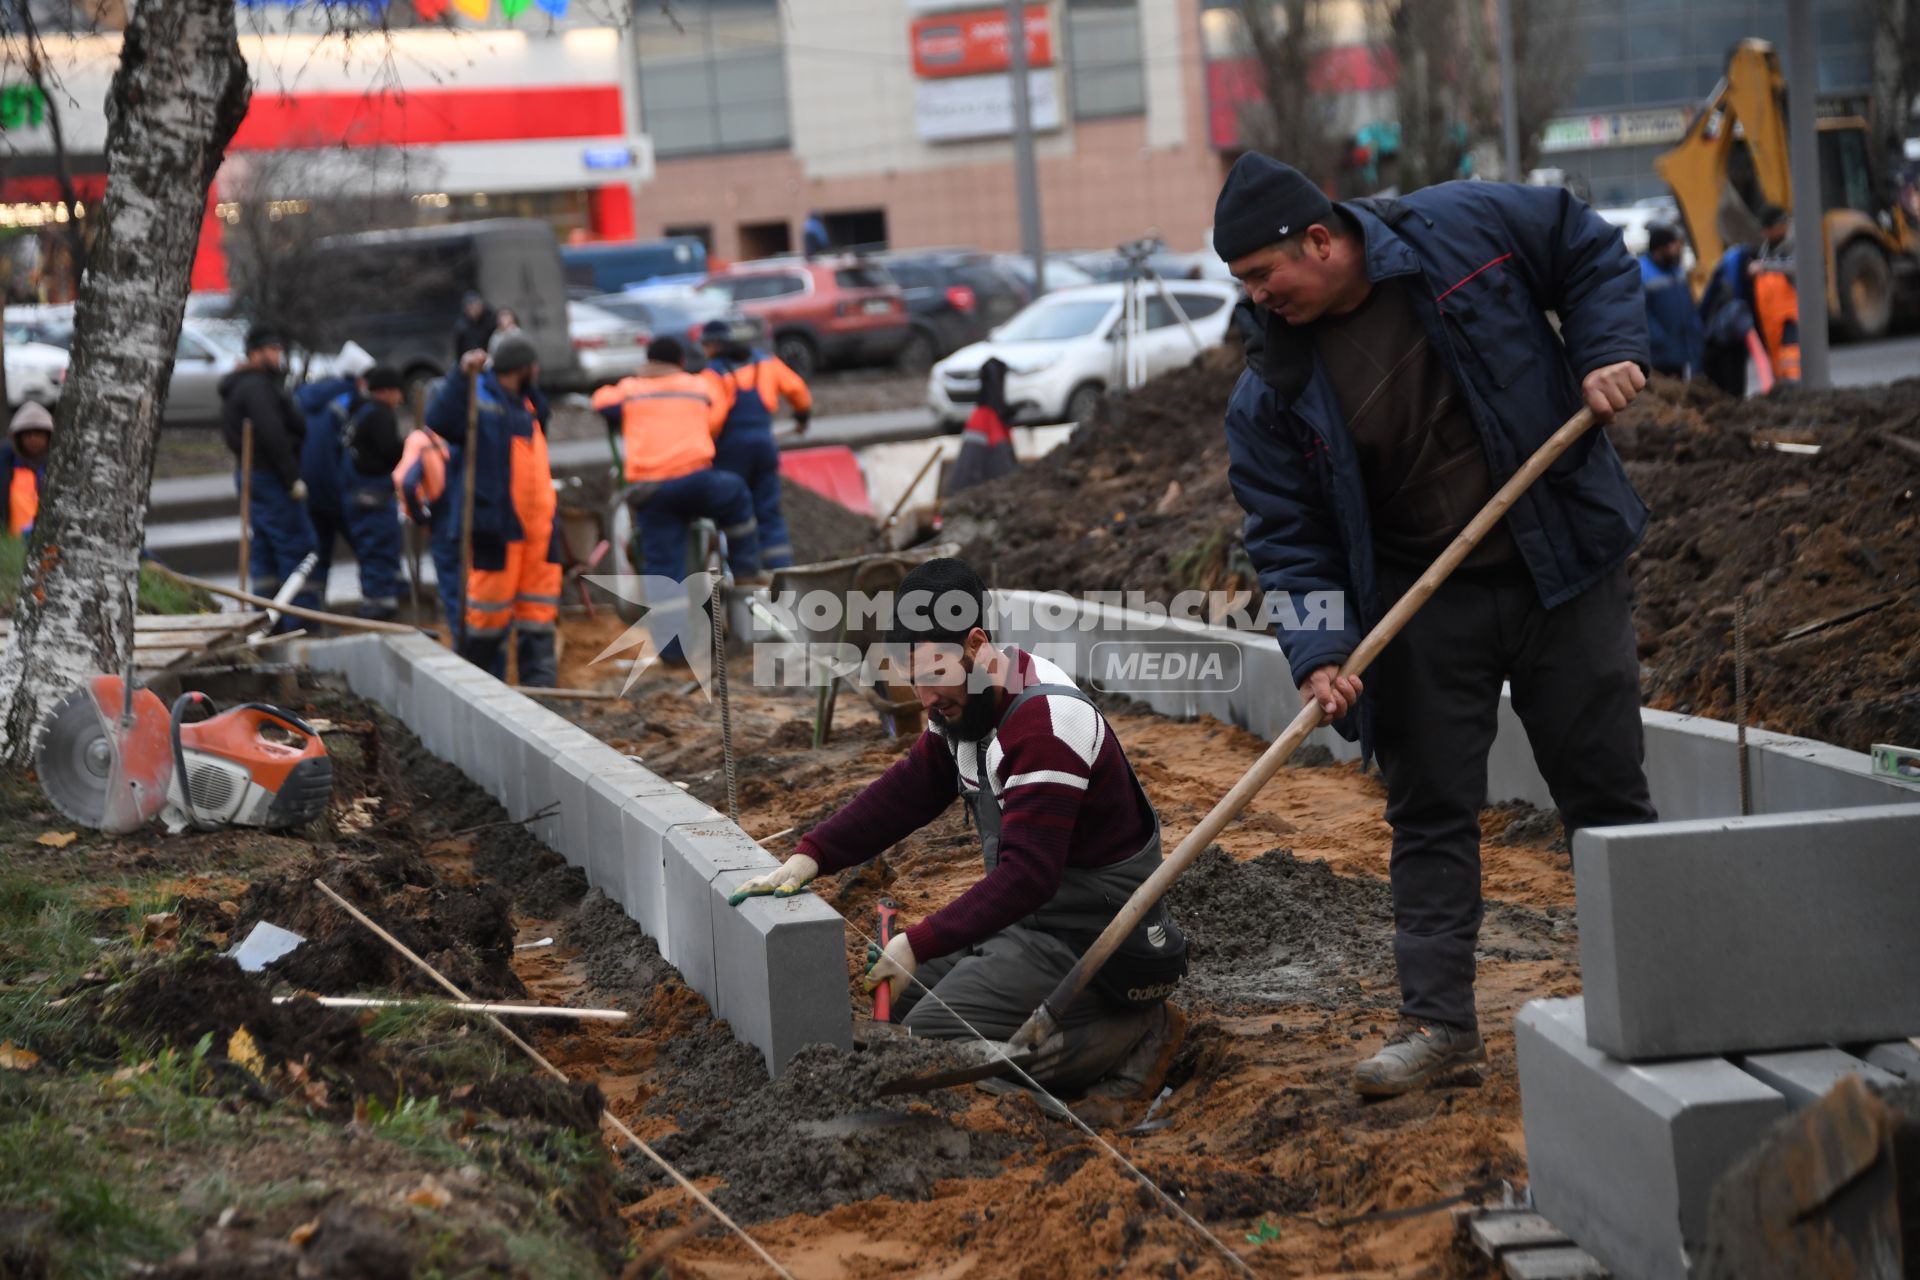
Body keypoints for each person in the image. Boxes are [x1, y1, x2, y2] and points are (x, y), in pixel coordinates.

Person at [1213, 152, 1659, 1098]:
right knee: (1429, 813)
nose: (1256, 300)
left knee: (1606, 793)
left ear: (1321, 241)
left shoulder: (1462, 228)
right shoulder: (1271, 391)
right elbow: (1289, 540)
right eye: (1244, 284)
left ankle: (1665, 993)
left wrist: (1605, 348)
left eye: (1262, 276)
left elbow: (1585, 249)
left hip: (1559, 561)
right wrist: (1322, 653)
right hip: (1420, 601)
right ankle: (1440, 1027)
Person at [730, 557, 1186, 1093]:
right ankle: (1042, 1019)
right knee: (894, 1012)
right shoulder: (968, 706)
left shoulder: (1045, 723)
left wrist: (917, 943)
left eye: (933, 678)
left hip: (1093, 939)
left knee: (928, 1047)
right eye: (914, 680)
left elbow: (1030, 875)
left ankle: (1128, 1035)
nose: (924, 700)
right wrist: (812, 855)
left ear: (975, 645)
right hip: (1029, 921)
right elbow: (909, 790)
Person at [425, 336, 561, 686]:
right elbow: (439, 419)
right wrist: (461, 375)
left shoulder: (529, 405)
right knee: (486, 618)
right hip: (496, 530)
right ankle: (482, 691)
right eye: (534, 366)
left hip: (539, 531)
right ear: (523, 368)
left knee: (539, 616)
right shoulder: (479, 399)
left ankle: (542, 693)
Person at [219, 327, 320, 626]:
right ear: (254, 353)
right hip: (271, 476)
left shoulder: (251, 385)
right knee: (296, 546)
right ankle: (299, 619)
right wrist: (291, 477)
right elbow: (272, 433)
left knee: (265, 548)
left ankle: (267, 618)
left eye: (278, 349)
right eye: (271, 350)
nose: (277, 356)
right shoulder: (256, 388)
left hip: (257, 474)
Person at [297, 366, 408, 620]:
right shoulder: (377, 415)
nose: (401, 399)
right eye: (398, 392)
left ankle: (310, 613)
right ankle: (379, 606)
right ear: (387, 391)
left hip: (331, 491)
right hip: (366, 495)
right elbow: (389, 451)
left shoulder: (350, 410)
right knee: (376, 550)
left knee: (325, 552)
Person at [700, 319, 812, 569]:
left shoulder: (714, 373)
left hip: (730, 450)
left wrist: (704, 443)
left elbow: (714, 418)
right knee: (768, 509)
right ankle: (780, 568)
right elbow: (798, 389)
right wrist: (802, 416)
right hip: (764, 444)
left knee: (733, 511)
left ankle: (744, 571)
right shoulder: (766, 362)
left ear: (711, 345)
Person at [393, 404, 461, 637]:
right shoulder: (458, 433)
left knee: (453, 588)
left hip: (443, 522)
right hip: (468, 516)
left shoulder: (420, 440)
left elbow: (406, 482)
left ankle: (463, 644)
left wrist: (420, 516)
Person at [1639, 224, 1703, 380]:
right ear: (1659, 250)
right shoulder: (1642, 273)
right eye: (1672, 247)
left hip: (1680, 349)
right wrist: (1659, 339)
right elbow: (1641, 313)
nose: (1677, 251)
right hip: (1658, 354)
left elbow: (1688, 304)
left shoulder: (1677, 270)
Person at [1, 401, 53, 537]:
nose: (33, 439)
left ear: (49, 436)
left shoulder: (56, 469)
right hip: (12, 546)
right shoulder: (5, 466)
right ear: (18, 438)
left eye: (38, 433)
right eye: (27, 434)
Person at [453, 292, 495, 364]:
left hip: (488, 357)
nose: (475, 309)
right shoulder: (461, 326)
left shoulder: (489, 321)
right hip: (469, 359)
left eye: (477, 306)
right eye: (472, 307)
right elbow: (459, 349)